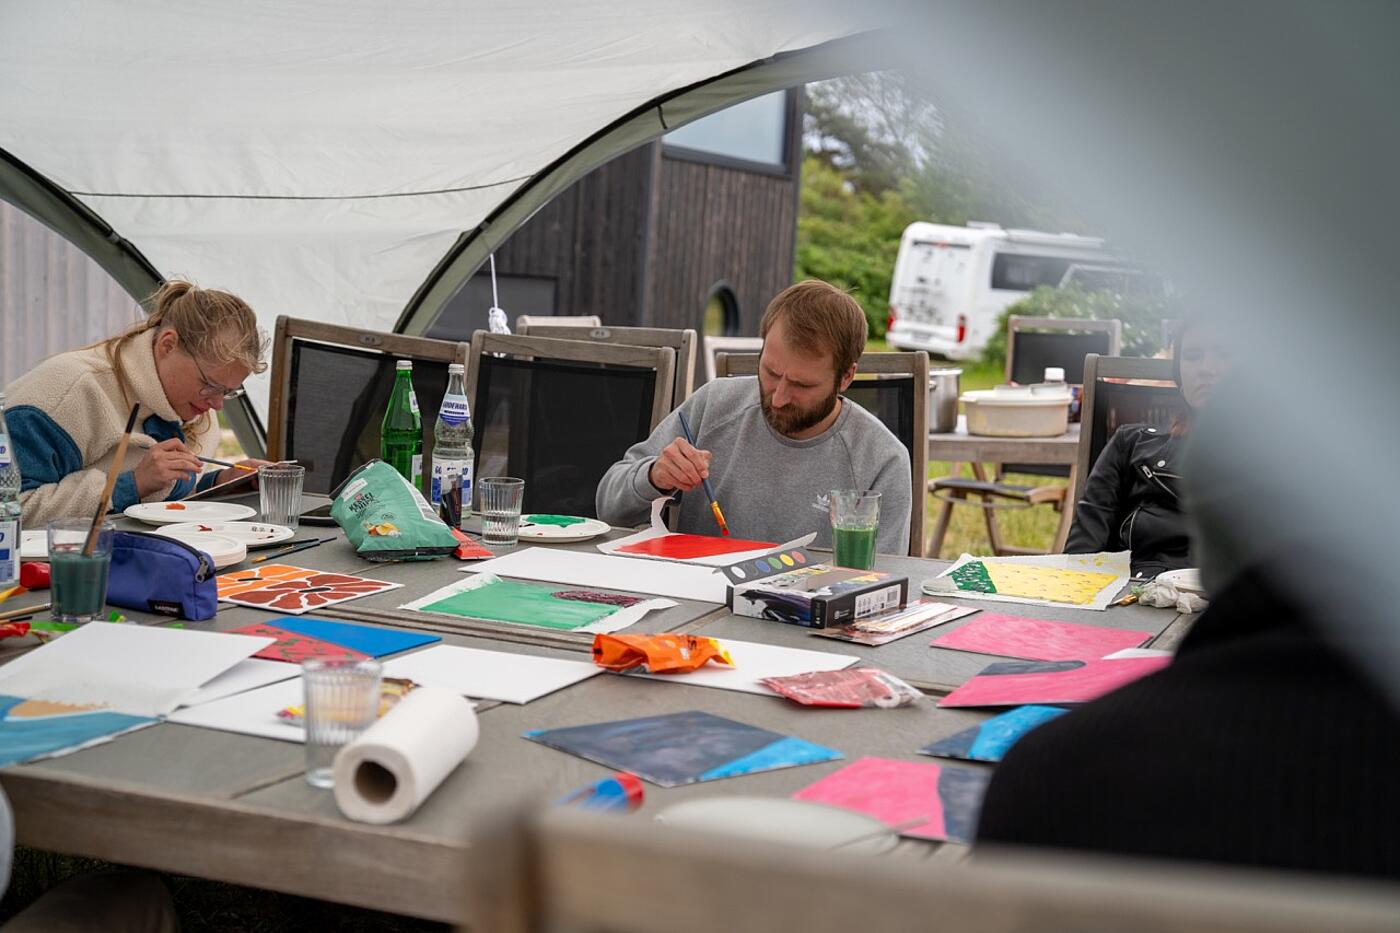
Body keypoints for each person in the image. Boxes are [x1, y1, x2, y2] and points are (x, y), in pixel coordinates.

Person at [596, 280, 912, 553]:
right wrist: (654, 476)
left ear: (845, 377)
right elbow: (608, 508)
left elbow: (880, 582)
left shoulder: (882, 460)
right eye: (771, 372)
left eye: (802, 385)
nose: (779, 397)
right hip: (693, 607)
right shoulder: (714, 405)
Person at [4, 280, 269, 525]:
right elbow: (13, 511)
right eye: (209, 385)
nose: (217, 404)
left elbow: (164, 501)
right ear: (168, 344)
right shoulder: (70, 392)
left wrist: (222, 484)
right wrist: (131, 485)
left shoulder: (195, 409)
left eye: (227, 392)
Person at [1064, 319, 1231, 577]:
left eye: (1223, 354)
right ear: (1179, 374)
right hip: (1134, 599)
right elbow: (1080, 559)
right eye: (1192, 356)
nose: (1207, 368)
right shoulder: (1130, 444)